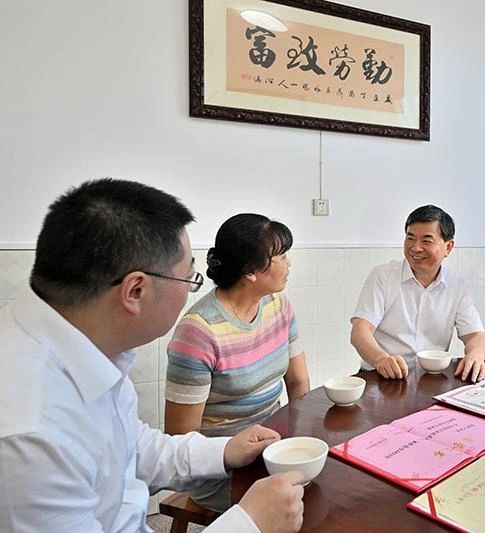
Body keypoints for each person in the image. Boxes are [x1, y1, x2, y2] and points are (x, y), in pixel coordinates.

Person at [0, 179, 303, 532]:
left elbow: (134, 446)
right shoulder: (31, 434)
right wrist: (249, 523)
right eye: (189, 279)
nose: (193, 292)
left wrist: (224, 451)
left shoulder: (85, 348)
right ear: (136, 290)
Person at [165, 213, 310, 511]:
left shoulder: (279, 306)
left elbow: (298, 382)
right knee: (302, 505)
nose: (289, 263)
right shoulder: (199, 331)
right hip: (219, 468)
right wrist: (233, 452)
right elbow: (180, 438)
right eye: (282, 256)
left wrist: (301, 442)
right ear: (251, 272)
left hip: (272, 447)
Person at [350, 205, 485, 382]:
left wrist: (475, 355)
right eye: (410, 238)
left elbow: (475, 336)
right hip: (380, 377)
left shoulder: (458, 287)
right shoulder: (383, 276)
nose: (415, 248)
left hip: (430, 380)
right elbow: (360, 331)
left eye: (426, 241)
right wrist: (381, 359)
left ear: (448, 247)